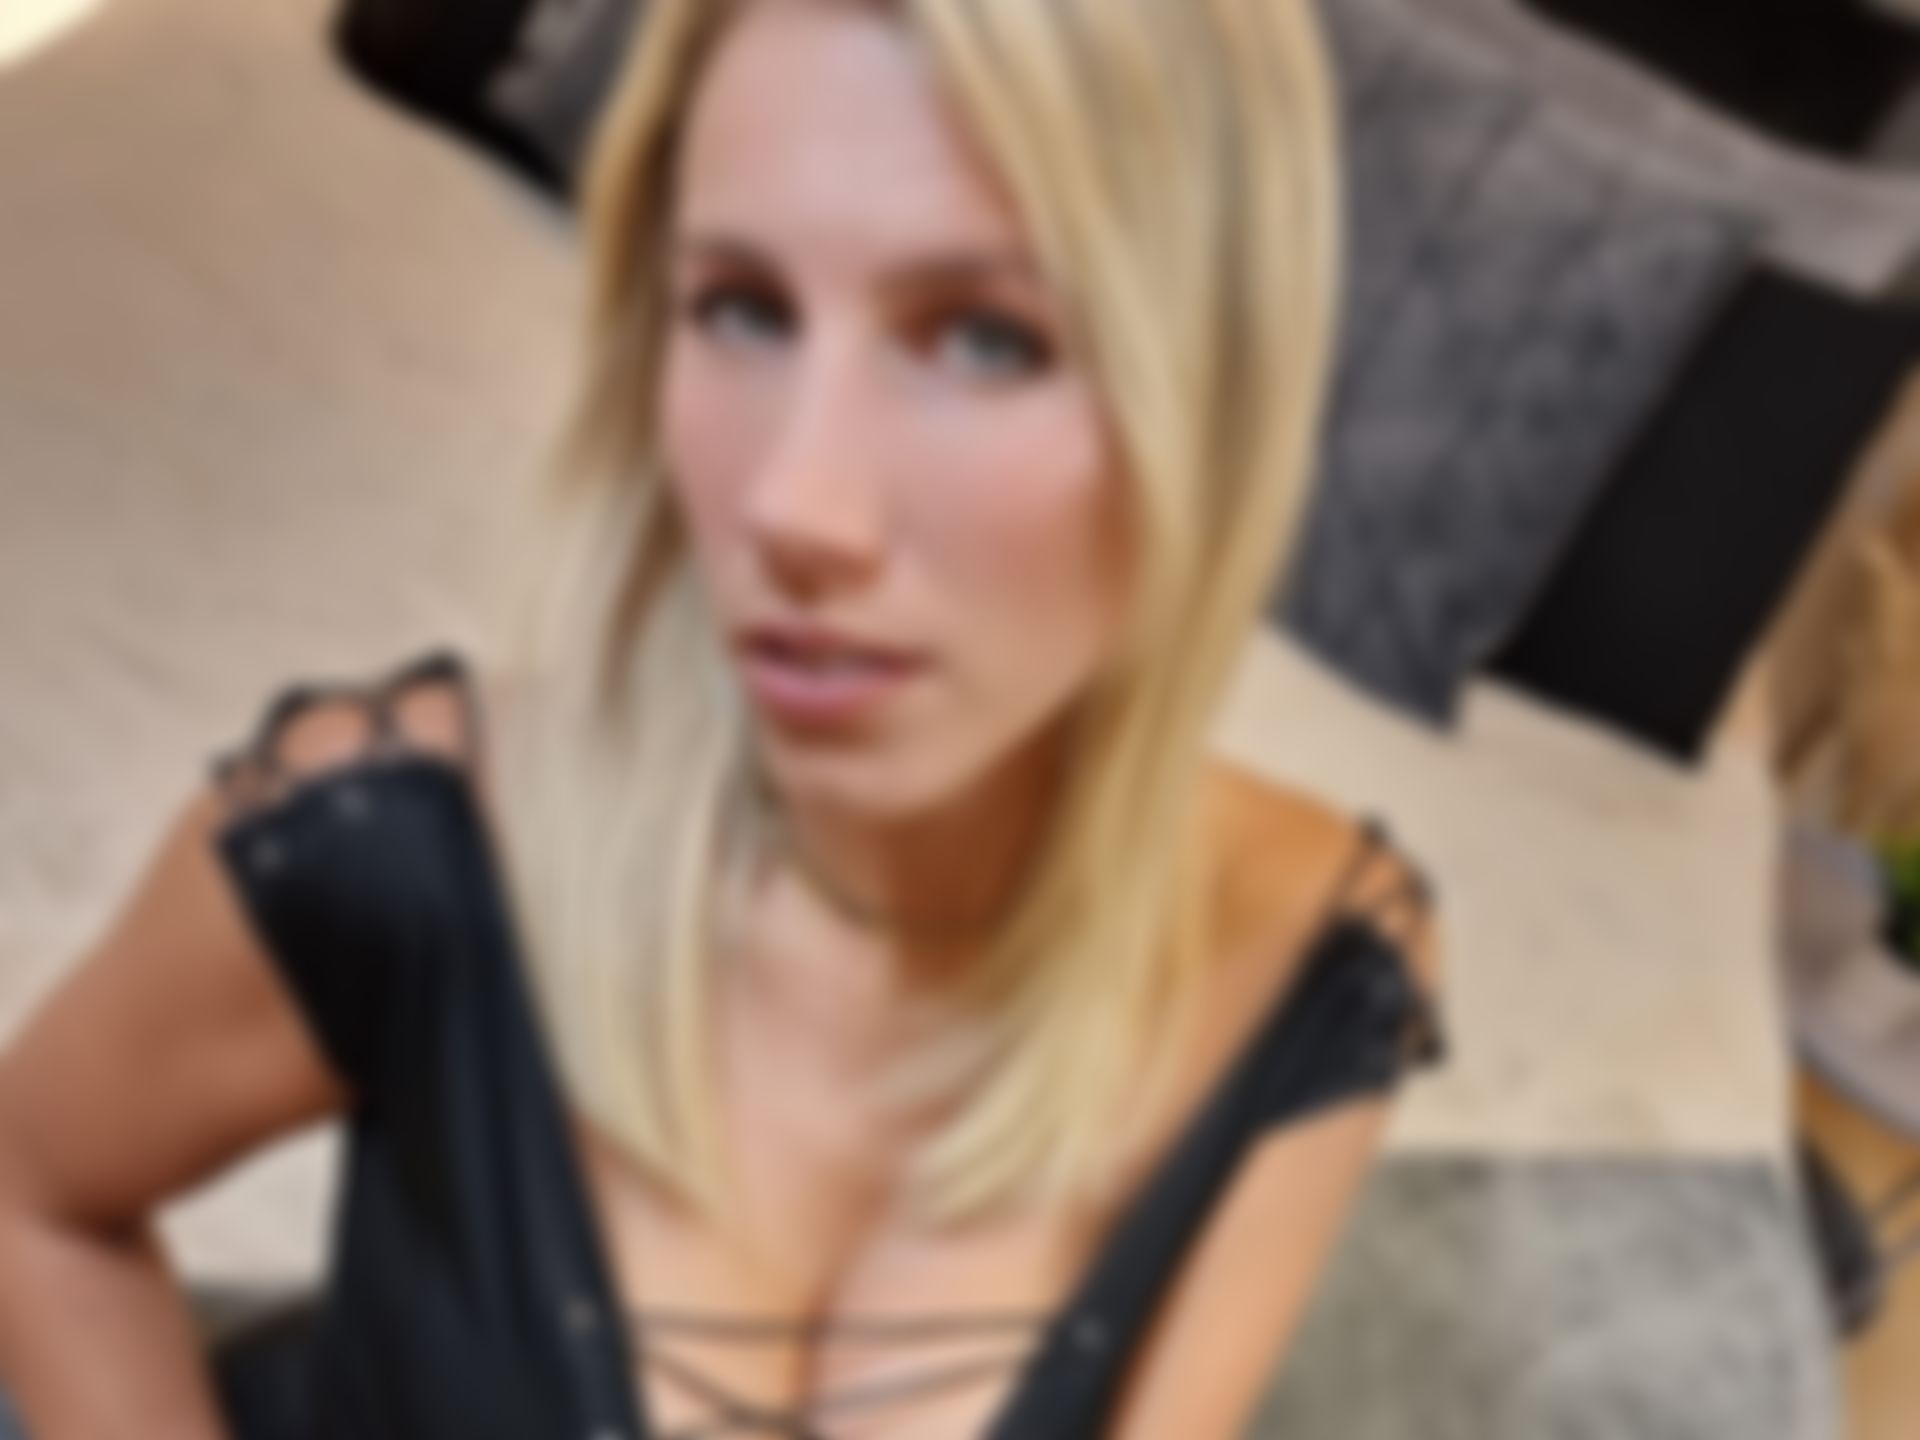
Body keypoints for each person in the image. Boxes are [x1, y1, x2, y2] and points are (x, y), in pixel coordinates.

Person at [0, 0, 1447, 1435]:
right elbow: (32, 1194)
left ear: (1217, 392)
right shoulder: (394, 853)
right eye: (743, 309)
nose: (794, 508)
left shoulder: (1318, 969)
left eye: (986, 339)